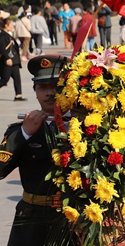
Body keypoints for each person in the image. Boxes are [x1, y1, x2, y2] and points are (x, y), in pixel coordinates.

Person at [0, 55, 70, 245]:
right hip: (31, 222)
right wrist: (24, 134)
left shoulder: (86, 126)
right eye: (42, 87)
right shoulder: (21, 130)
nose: (49, 93)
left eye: (55, 86)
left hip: (72, 221)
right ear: (35, 92)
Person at [0, 17, 26, 101]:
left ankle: (18, 95)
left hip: (14, 61)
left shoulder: (8, 35)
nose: (12, 26)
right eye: (11, 24)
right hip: (7, 61)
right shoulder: (2, 36)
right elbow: (2, 49)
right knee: (4, 80)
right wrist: (7, 58)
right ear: (6, 26)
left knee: (17, 78)